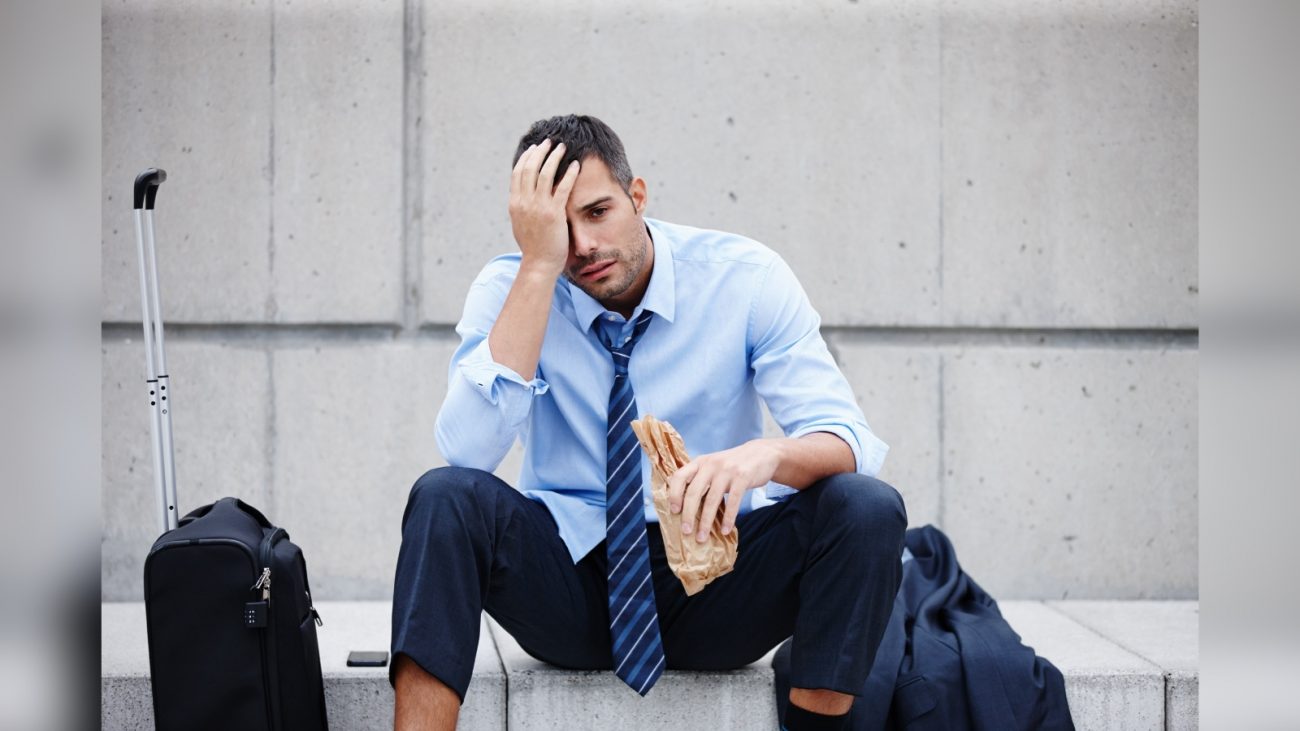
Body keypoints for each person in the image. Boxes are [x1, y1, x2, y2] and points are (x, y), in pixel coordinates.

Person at [390, 114, 908, 731]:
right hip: (570, 584)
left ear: (638, 196)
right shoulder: (516, 285)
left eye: (598, 211)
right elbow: (466, 451)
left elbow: (847, 439)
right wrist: (535, 269)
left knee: (865, 505)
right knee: (445, 497)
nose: (582, 246)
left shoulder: (744, 279)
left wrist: (760, 458)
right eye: (559, 226)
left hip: (718, 577)